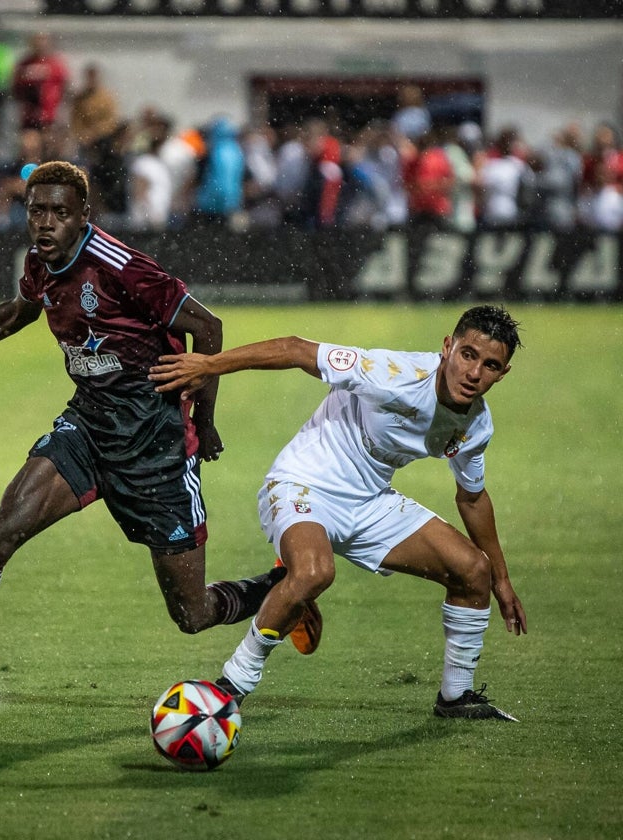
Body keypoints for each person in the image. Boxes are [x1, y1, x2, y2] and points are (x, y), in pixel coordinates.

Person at [0, 161, 291, 721]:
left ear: (83, 217)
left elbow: (207, 328)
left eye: (59, 213)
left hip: (155, 448)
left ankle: (278, 590)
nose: (44, 223)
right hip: (89, 429)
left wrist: (205, 417)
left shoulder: (121, 267)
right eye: (36, 211)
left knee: (192, 615)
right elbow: (15, 314)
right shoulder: (41, 265)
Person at [149, 305, 528, 721]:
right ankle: (229, 688)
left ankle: (456, 697)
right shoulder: (390, 373)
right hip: (303, 484)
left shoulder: (475, 425)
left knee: (474, 570)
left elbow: (472, 498)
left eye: (490, 364)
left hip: (369, 501)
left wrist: (501, 579)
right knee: (314, 573)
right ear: (447, 348)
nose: (474, 372)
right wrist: (209, 365)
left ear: (503, 373)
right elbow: (295, 350)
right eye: (468, 354)